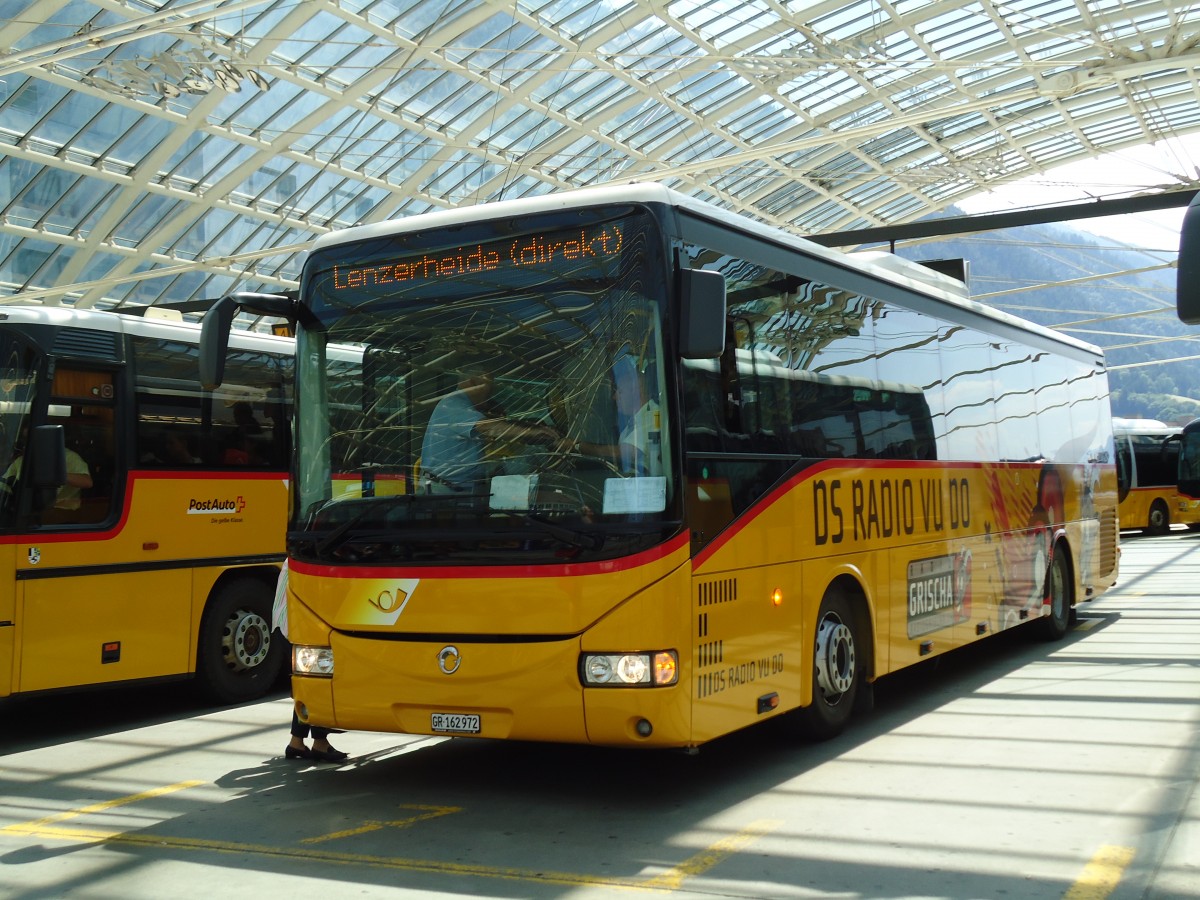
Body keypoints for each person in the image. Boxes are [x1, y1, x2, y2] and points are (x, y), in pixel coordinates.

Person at [420, 359, 565, 493]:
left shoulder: (466, 408)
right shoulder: (453, 404)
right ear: (472, 382)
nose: (491, 392)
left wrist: (535, 429)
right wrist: (531, 431)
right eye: (489, 386)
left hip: (463, 489)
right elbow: (489, 428)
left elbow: (498, 427)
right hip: (443, 492)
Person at [273, 560, 349, 763]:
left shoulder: (297, 558)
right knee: (317, 683)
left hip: (285, 627)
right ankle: (319, 743)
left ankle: (296, 743)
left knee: (308, 685)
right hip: (295, 629)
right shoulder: (307, 562)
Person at [1, 425, 93, 510]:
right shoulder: (23, 460)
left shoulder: (68, 457)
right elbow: (4, 484)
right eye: (25, 439)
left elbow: (87, 482)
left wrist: (56, 474)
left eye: (32, 438)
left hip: (62, 512)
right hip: (27, 509)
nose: (27, 442)